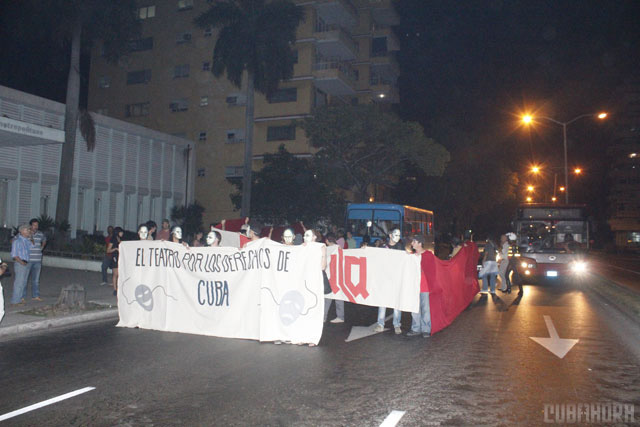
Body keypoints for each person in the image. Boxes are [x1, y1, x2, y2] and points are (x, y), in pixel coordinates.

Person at [375, 229, 404, 334]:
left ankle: (397, 324)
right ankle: (380, 324)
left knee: (397, 303)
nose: (397, 237)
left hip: (396, 279)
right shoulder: (383, 247)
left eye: (399, 235)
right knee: (383, 302)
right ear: (390, 235)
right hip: (385, 279)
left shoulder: (400, 247)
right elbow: (376, 257)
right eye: (395, 235)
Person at [407, 234, 431, 338]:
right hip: (414, 286)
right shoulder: (411, 256)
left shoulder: (428, 255)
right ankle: (416, 328)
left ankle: (426, 329)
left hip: (425, 286)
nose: (412, 244)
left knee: (425, 308)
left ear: (420, 243)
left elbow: (432, 271)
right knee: (415, 308)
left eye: (414, 242)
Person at [321, 229, 345, 323]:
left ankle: (324, 317)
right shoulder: (338, 248)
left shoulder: (327, 249)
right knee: (337, 296)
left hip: (330, 276)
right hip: (337, 276)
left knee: (328, 296)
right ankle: (340, 316)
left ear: (327, 240)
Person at [10, 224, 34, 305]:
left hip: (26, 262)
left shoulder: (26, 240)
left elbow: (33, 246)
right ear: (22, 231)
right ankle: (15, 301)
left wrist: (30, 236)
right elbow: (14, 255)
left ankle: (19, 299)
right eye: (27, 230)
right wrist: (21, 262)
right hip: (20, 263)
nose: (29, 231)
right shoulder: (17, 241)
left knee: (23, 282)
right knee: (19, 283)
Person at [24, 218, 46, 301]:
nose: (36, 227)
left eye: (37, 225)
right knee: (25, 279)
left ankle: (35, 295)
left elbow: (44, 240)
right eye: (34, 225)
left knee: (36, 280)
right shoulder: (26, 234)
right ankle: (22, 297)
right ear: (30, 226)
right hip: (28, 259)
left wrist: (42, 246)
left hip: (37, 260)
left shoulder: (40, 234)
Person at [108, 227, 124, 296]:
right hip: (115, 257)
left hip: (120, 257)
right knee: (115, 274)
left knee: (120, 274)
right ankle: (115, 289)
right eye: (121, 232)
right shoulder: (113, 239)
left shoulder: (120, 239)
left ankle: (118, 288)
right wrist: (115, 249)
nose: (122, 233)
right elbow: (108, 250)